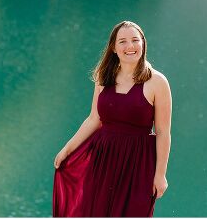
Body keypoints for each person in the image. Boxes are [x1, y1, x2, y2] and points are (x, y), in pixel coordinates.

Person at [52, 21, 172, 217]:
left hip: (139, 164)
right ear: (114, 48)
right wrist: (67, 149)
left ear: (143, 43)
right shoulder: (103, 76)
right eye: (122, 41)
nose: (130, 46)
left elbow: (163, 132)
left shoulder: (157, 82)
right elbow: (94, 119)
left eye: (135, 40)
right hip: (103, 160)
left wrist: (160, 175)